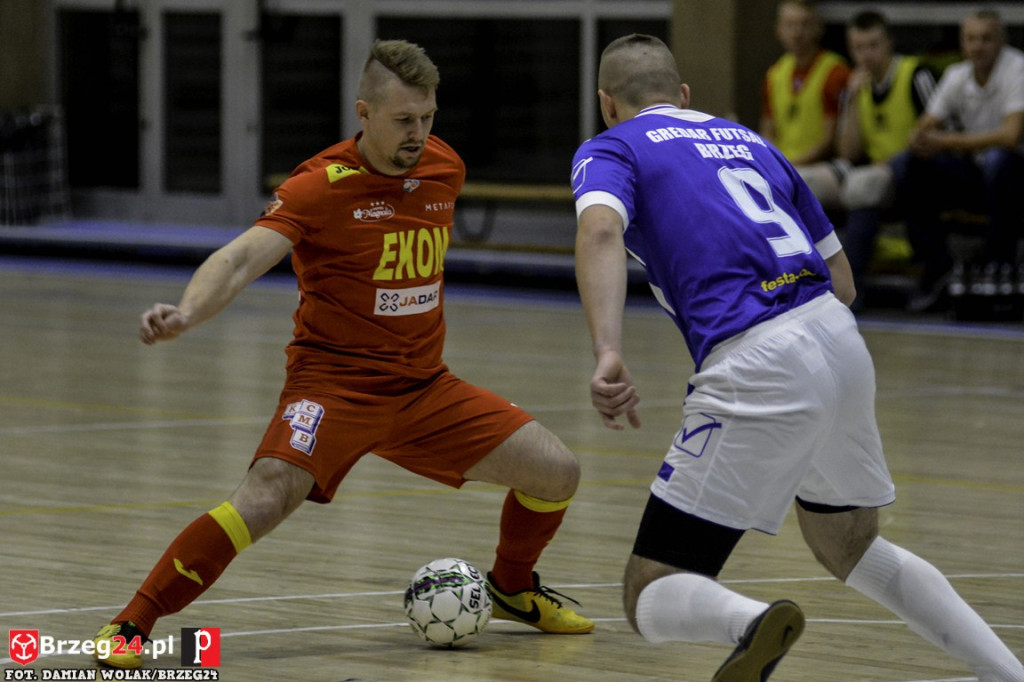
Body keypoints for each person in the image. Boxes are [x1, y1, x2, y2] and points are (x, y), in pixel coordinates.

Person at [91, 39, 593, 670]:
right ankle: (132, 624)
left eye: (428, 117)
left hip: (424, 389)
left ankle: (512, 587)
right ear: (364, 112)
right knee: (266, 495)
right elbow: (241, 257)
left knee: (557, 471)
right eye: (404, 120)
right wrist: (188, 312)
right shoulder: (318, 187)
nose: (419, 133)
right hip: (334, 388)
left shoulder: (445, 169)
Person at [572, 33, 1024, 682]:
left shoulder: (611, 147)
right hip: (838, 340)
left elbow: (601, 229)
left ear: (606, 103)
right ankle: (1006, 673)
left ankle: (750, 625)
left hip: (755, 359)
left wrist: (608, 348)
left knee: (649, 590)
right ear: (685, 95)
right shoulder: (752, 143)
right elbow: (844, 279)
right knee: (851, 545)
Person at [799, 10, 937, 311]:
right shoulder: (857, 84)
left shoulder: (915, 74)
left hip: (911, 172)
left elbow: (938, 134)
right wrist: (850, 100)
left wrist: (893, 162)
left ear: (888, 43)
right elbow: (848, 152)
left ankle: (850, 291)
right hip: (871, 169)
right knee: (805, 182)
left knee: (863, 185)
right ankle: (801, 283)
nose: (866, 55)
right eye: (858, 48)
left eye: (873, 45)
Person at [899, 9, 1024, 313]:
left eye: (985, 39)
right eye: (971, 39)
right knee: (911, 164)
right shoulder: (957, 75)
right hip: (977, 174)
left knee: (998, 161)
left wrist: (945, 141)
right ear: (962, 43)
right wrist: (920, 139)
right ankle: (936, 266)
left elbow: (1010, 137)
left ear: (1001, 41)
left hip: (1015, 175)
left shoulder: (1017, 68)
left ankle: (1000, 263)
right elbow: (925, 127)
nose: (978, 46)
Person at [760, 0, 850, 167]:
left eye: (804, 25)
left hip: (820, 165)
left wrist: (792, 165)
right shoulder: (774, 74)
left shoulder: (835, 71)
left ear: (819, 28)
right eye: (790, 25)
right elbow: (768, 130)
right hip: (783, 164)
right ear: (778, 29)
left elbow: (829, 140)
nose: (797, 33)